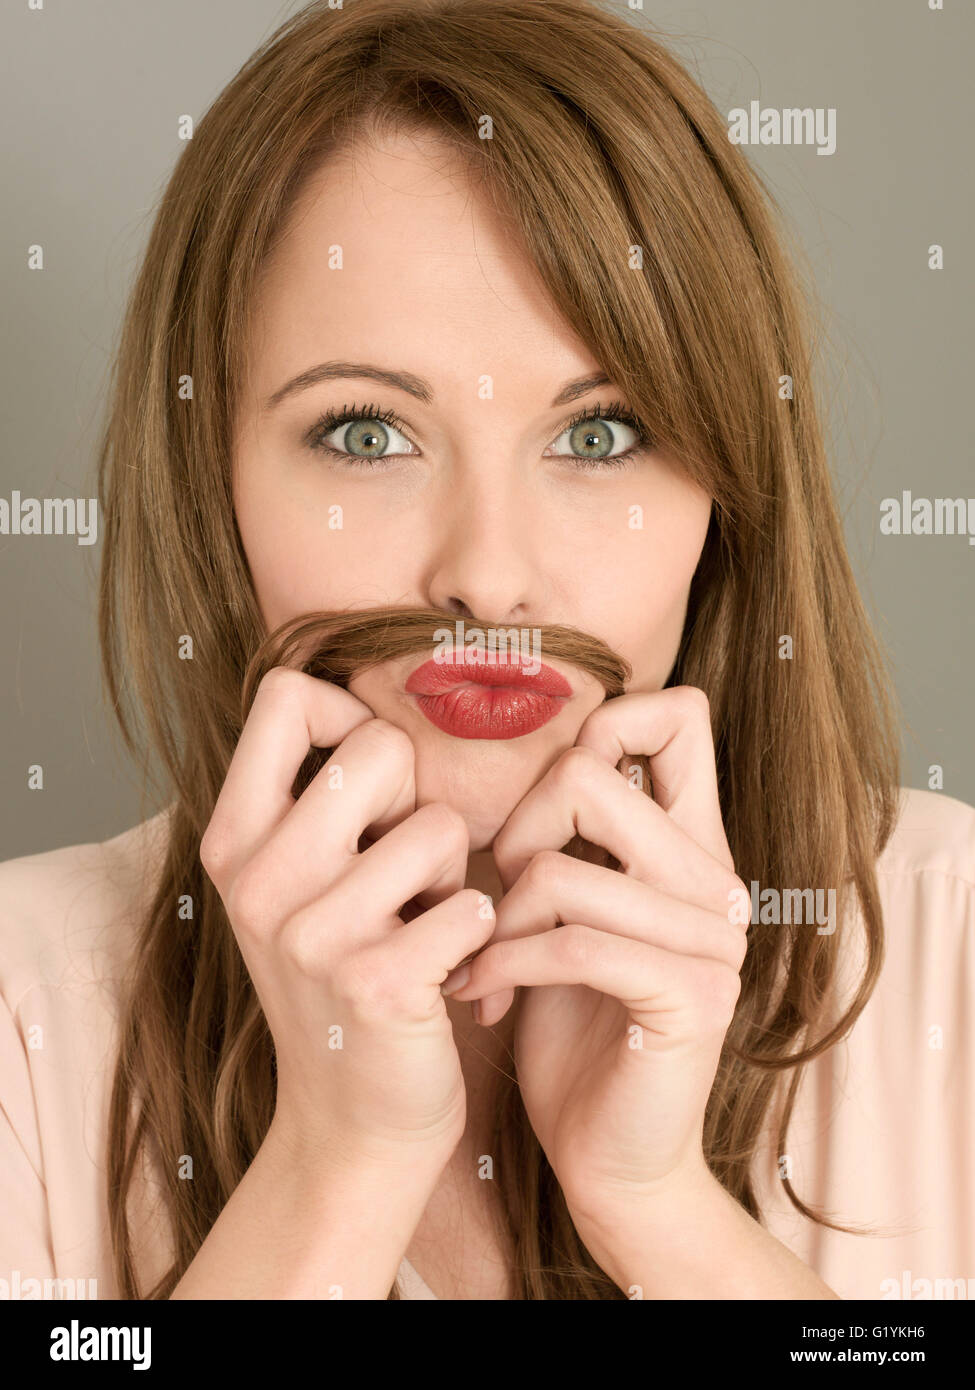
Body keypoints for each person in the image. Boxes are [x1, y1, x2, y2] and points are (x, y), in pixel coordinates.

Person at [1, 0, 972, 1302]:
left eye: (599, 434)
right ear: (212, 477)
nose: (490, 574)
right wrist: (334, 1169)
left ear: (726, 500)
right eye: (363, 434)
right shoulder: (23, 1008)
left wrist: (659, 1209)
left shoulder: (951, 942)